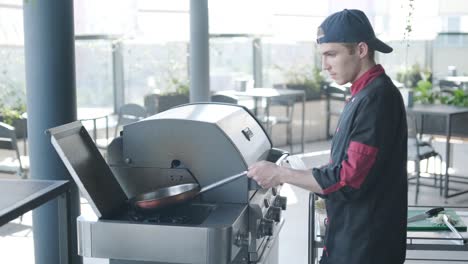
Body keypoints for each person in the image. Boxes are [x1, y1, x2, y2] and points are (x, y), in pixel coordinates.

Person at [247, 9, 408, 264]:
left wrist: (280, 174)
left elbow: (349, 179)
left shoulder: (376, 99)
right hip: (350, 233)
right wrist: (314, 174)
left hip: (365, 246)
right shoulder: (362, 93)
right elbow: (355, 164)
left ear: (361, 50)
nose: (325, 66)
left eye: (331, 54)